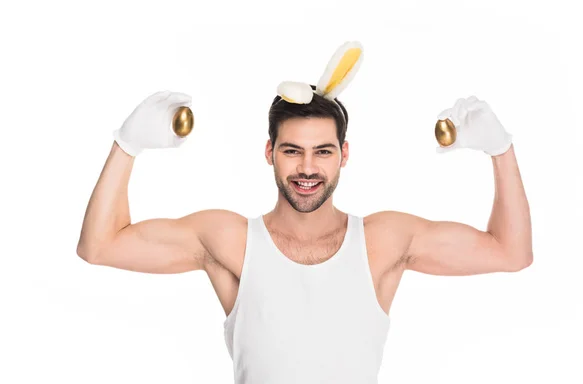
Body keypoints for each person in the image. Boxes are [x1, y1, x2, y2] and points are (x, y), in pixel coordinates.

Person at [76, 42, 533, 384]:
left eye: (323, 151)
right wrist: (127, 145)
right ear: (270, 152)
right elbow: (100, 246)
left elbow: (511, 253)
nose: (308, 168)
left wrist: (501, 149)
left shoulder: (383, 241)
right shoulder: (230, 240)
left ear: (344, 154)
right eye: (293, 151)